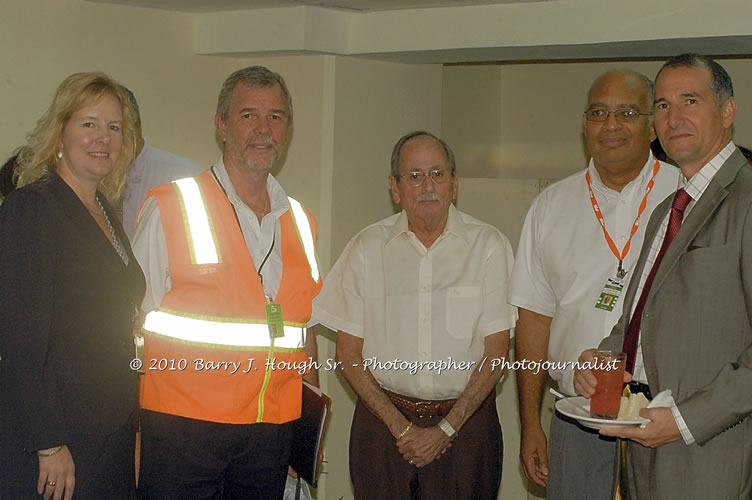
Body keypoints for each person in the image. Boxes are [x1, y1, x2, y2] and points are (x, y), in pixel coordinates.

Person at [132, 66, 322, 499]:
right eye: (248, 115)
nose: (263, 129)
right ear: (221, 125)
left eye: (275, 117)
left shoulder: (301, 222)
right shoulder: (172, 206)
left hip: (270, 433)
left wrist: (304, 438)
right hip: (183, 430)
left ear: (287, 128)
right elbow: (128, 324)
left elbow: (301, 334)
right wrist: (134, 429)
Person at [575, 54, 752, 498]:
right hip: (644, 448)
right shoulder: (666, 212)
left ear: (728, 111)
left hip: (715, 455)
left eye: (690, 100)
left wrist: (686, 421)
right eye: (663, 105)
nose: (675, 117)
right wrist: (605, 358)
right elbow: (642, 316)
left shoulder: (747, 199)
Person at [313, 131, 516, 499]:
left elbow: (497, 353)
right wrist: (402, 428)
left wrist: (445, 430)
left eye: (438, 174)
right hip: (382, 426)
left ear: (454, 184)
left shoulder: (489, 246)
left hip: (467, 427)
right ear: (395, 187)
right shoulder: (366, 248)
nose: (428, 186)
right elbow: (347, 354)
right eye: (415, 175)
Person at [509, 70, 679, 499]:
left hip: (666, 422)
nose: (611, 125)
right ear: (584, 125)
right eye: (599, 113)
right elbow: (532, 320)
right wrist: (531, 423)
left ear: (653, 123)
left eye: (627, 112)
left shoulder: (685, 193)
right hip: (576, 418)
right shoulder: (551, 205)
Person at [0, 72, 145, 499]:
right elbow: (22, 339)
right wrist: (49, 443)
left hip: (109, 429)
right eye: (89, 124)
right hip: (57, 440)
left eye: (114, 127)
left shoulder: (103, 206)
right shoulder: (33, 208)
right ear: (60, 130)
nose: (103, 138)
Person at [119, 86, 203, 240]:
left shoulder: (183, 177)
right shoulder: (87, 180)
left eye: (115, 127)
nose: (107, 138)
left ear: (136, 123)